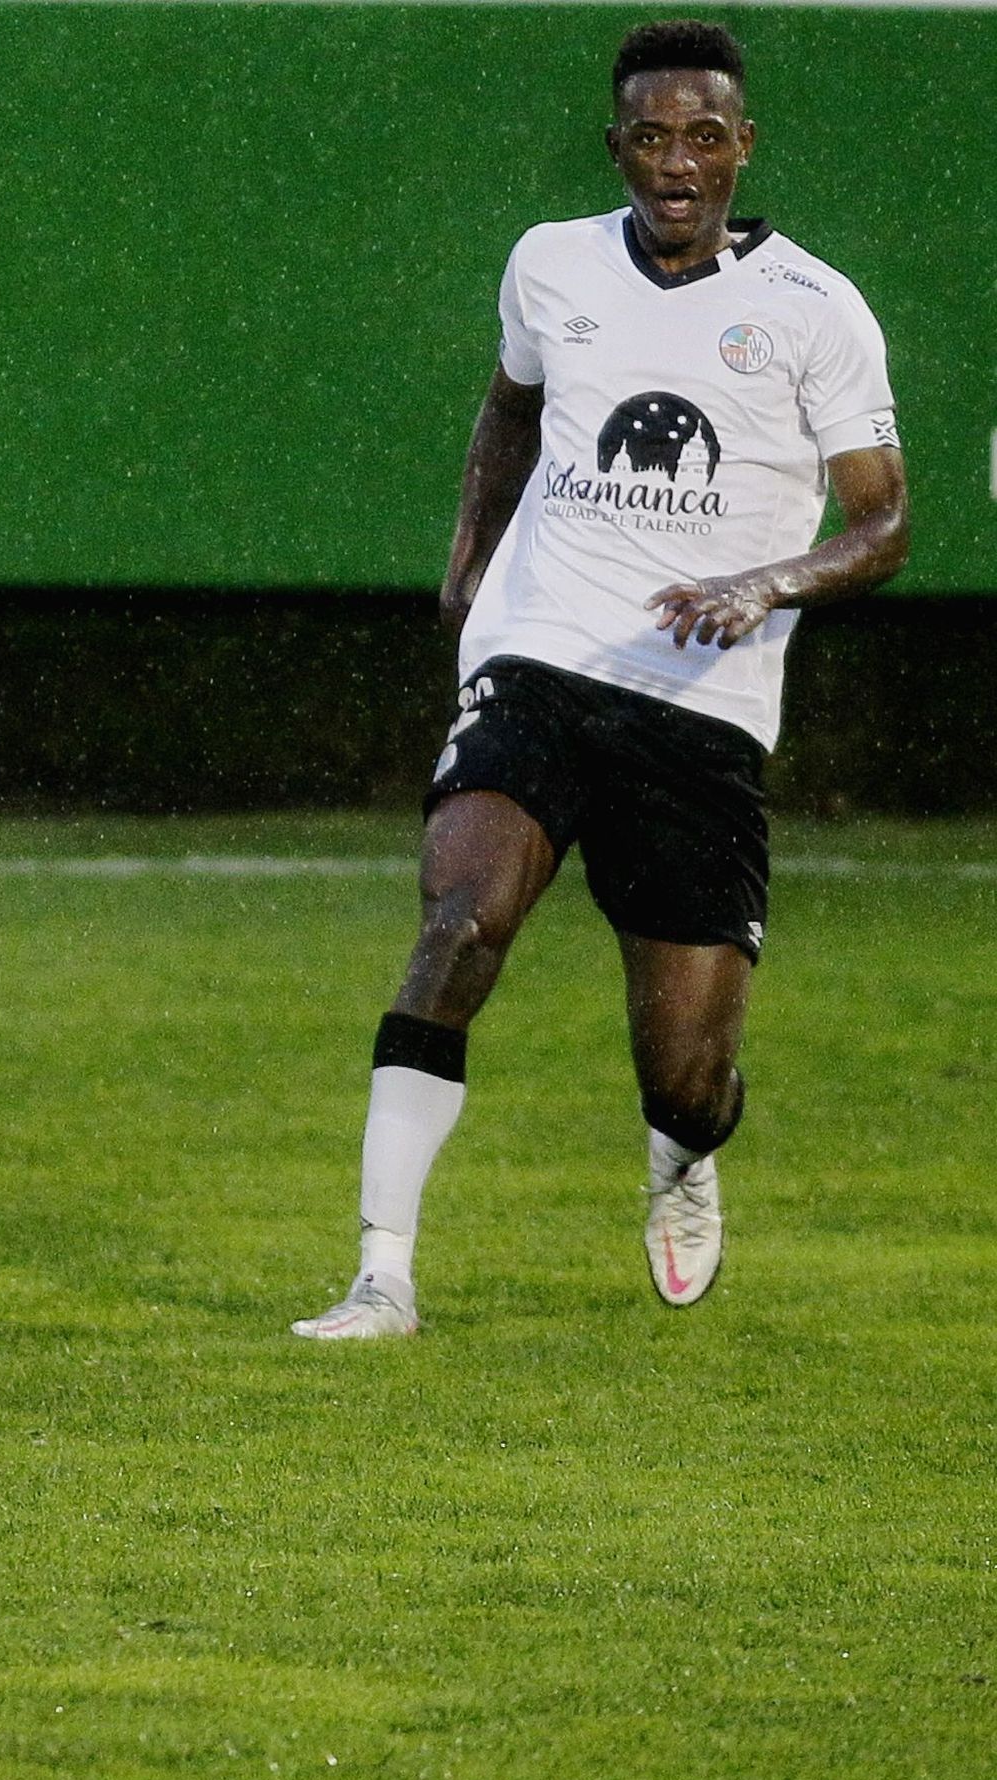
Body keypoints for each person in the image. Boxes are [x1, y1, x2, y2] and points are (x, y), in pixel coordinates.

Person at [292, 19, 908, 1338]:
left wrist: (763, 583)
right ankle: (381, 1274)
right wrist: (470, 552)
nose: (674, 161)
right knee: (457, 926)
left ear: (743, 146)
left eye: (702, 136)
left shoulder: (815, 310)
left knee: (687, 1075)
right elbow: (511, 405)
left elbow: (883, 526)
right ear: (615, 143)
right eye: (649, 135)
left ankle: (685, 1151)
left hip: (704, 703)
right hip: (544, 657)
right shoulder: (551, 264)